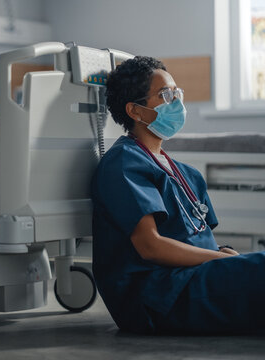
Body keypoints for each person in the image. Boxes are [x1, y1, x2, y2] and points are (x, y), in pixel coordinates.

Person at [91, 56, 265, 334]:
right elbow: (151, 246)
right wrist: (224, 261)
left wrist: (224, 254)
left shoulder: (186, 173)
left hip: (192, 279)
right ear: (135, 111)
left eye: (177, 92)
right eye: (165, 94)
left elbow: (201, 238)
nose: (177, 102)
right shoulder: (124, 163)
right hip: (158, 294)